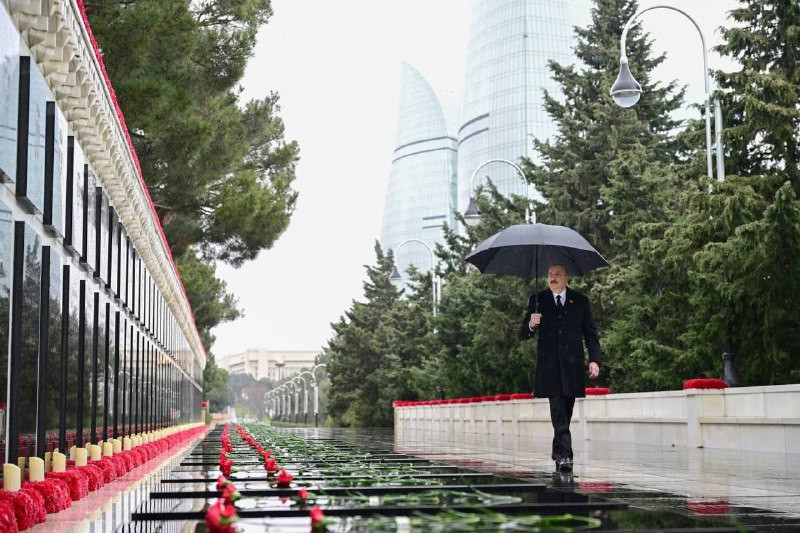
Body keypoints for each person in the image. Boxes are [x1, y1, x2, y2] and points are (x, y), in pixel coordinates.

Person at [521, 263, 602, 473]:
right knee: (557, 409)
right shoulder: (538, 300)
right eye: (550, 274)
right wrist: (531, 324)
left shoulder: (581, 301)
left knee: (566, 410)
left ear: (567, 278)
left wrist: (594, 360)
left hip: (572, 365)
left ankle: (558, 448)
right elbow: (524, 334)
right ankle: (565, 456)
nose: (553, 278)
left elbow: (590, 333)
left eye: (557, 274)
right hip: (549, 367)